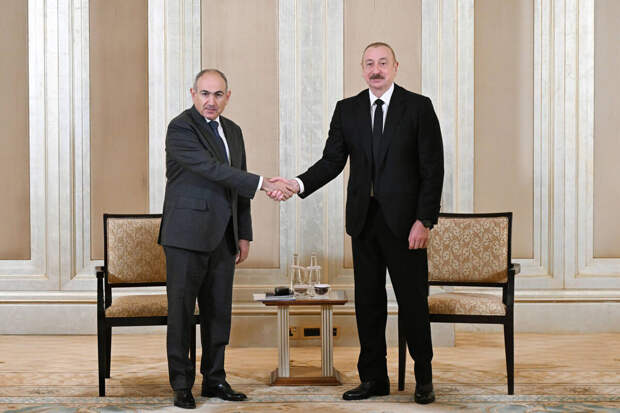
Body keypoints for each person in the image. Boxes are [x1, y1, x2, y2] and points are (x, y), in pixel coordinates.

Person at [271, 42, 444, 404]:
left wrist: (424, 220)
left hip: (407, 226)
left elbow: (433, 169)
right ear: (362, 69)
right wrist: (298, 183)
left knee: (413, 302)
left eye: (382, 63)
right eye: (369, 64)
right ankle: (374, 379)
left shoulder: (418, 107)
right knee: (369, 304)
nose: (376, 70)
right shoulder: (347, 110)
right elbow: (331, 161)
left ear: (395, 66)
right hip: (364, 223)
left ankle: (424, 377)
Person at [158, 69, 290, 409]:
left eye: (218, 94)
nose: (211, 101)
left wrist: (243, 234)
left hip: (224, 237)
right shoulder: (180, 128)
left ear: (227, 97)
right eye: (204, 93)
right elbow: (212, 169)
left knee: (219, 313)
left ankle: (215, 379)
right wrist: (264, 183)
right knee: (182, 313)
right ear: (192, 94)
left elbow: (236, 188)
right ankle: (181, 384)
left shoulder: (233, 131)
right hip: (185, 236)